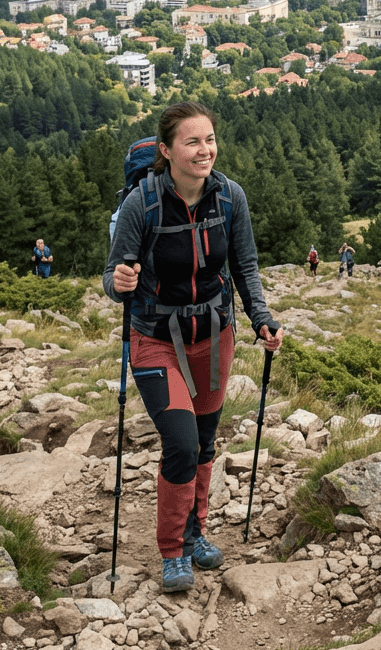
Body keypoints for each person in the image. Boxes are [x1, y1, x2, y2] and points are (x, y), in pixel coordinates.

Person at [103, 101, 283, 594]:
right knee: (181, 443)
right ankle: (173, 550)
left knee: (204, 443)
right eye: (192, 141)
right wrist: (118, 281)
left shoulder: (230, 197)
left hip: (214, 334)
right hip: (156, 339)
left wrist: (261, 319)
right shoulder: (142, 204)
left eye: (209, 139)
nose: (205, 150)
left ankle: (197, 531)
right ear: (166, 150)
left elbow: (244, 266)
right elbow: (111, 278)